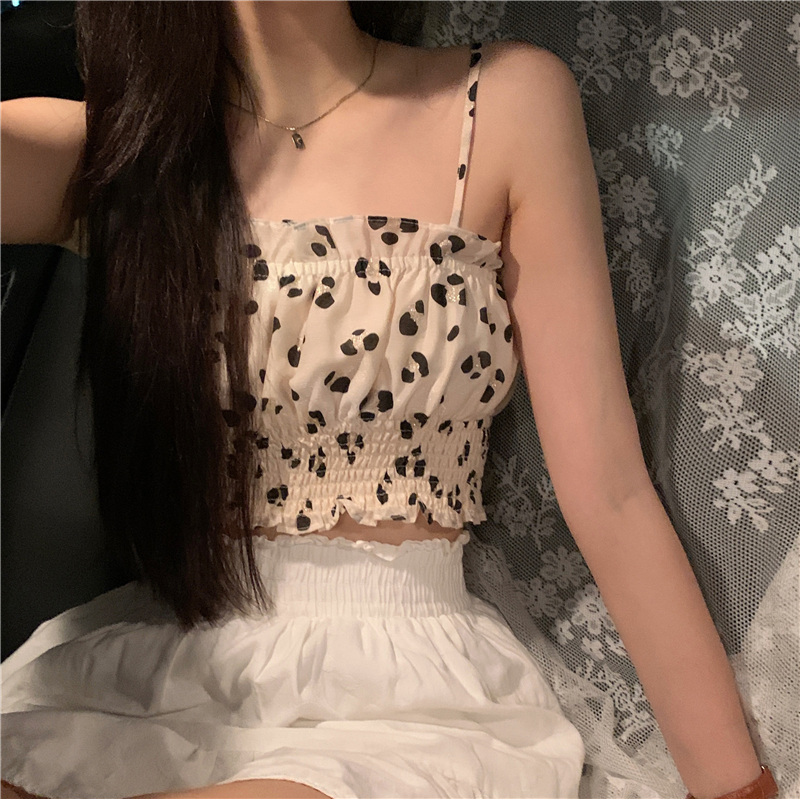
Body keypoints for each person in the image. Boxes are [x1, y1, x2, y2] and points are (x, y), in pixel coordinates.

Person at [0, 2, 778, 799]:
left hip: (402, 695)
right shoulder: (124, 154)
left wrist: (737, 791)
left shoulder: (504, 103)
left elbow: (610, 491)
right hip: (159, 675)